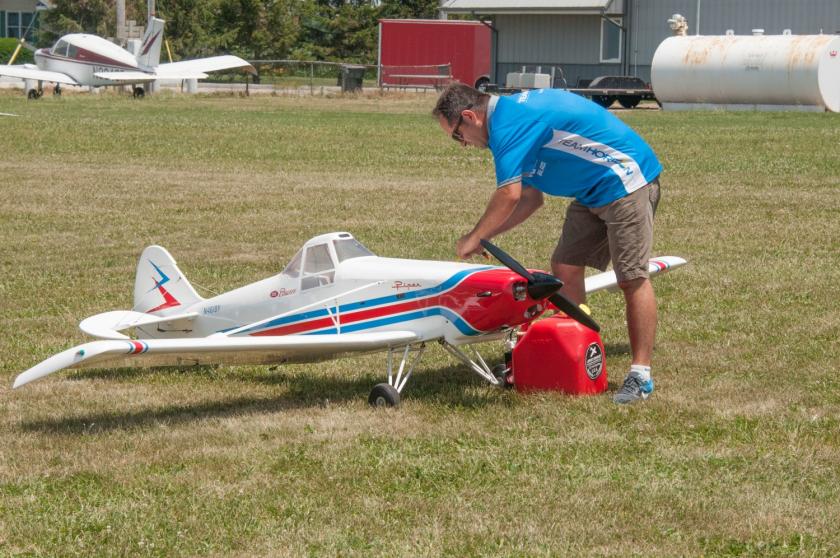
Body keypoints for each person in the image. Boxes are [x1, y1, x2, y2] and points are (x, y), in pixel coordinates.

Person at [432, 84, 662, 404]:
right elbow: (530, 199)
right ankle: (577, 352)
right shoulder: (507, 122)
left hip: (627, 179)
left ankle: (640, 375)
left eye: (458, 135)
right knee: (565, 266)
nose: (462, 145)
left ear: (471, 117)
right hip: (592, 189)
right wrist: (486, 236)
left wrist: (473, 237)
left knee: (631, 277)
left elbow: (509, 194)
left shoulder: (510, 124)